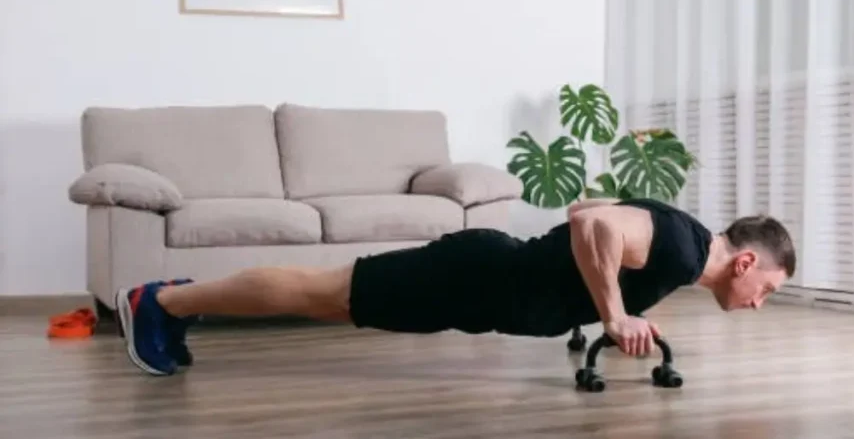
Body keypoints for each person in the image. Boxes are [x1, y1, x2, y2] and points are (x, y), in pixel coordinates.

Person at [114, 197, 797, 376]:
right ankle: (163, 300)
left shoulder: (679, 234)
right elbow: (598, 233)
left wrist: (606, 301)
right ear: (745, 264)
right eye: (767, 289)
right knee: (318, 293)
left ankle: (174, 300)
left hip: (482, 281)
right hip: (477, 280)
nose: (760, 303)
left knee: (326, 295)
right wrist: (614, 314)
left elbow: (586, 213)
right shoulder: (680, 248)